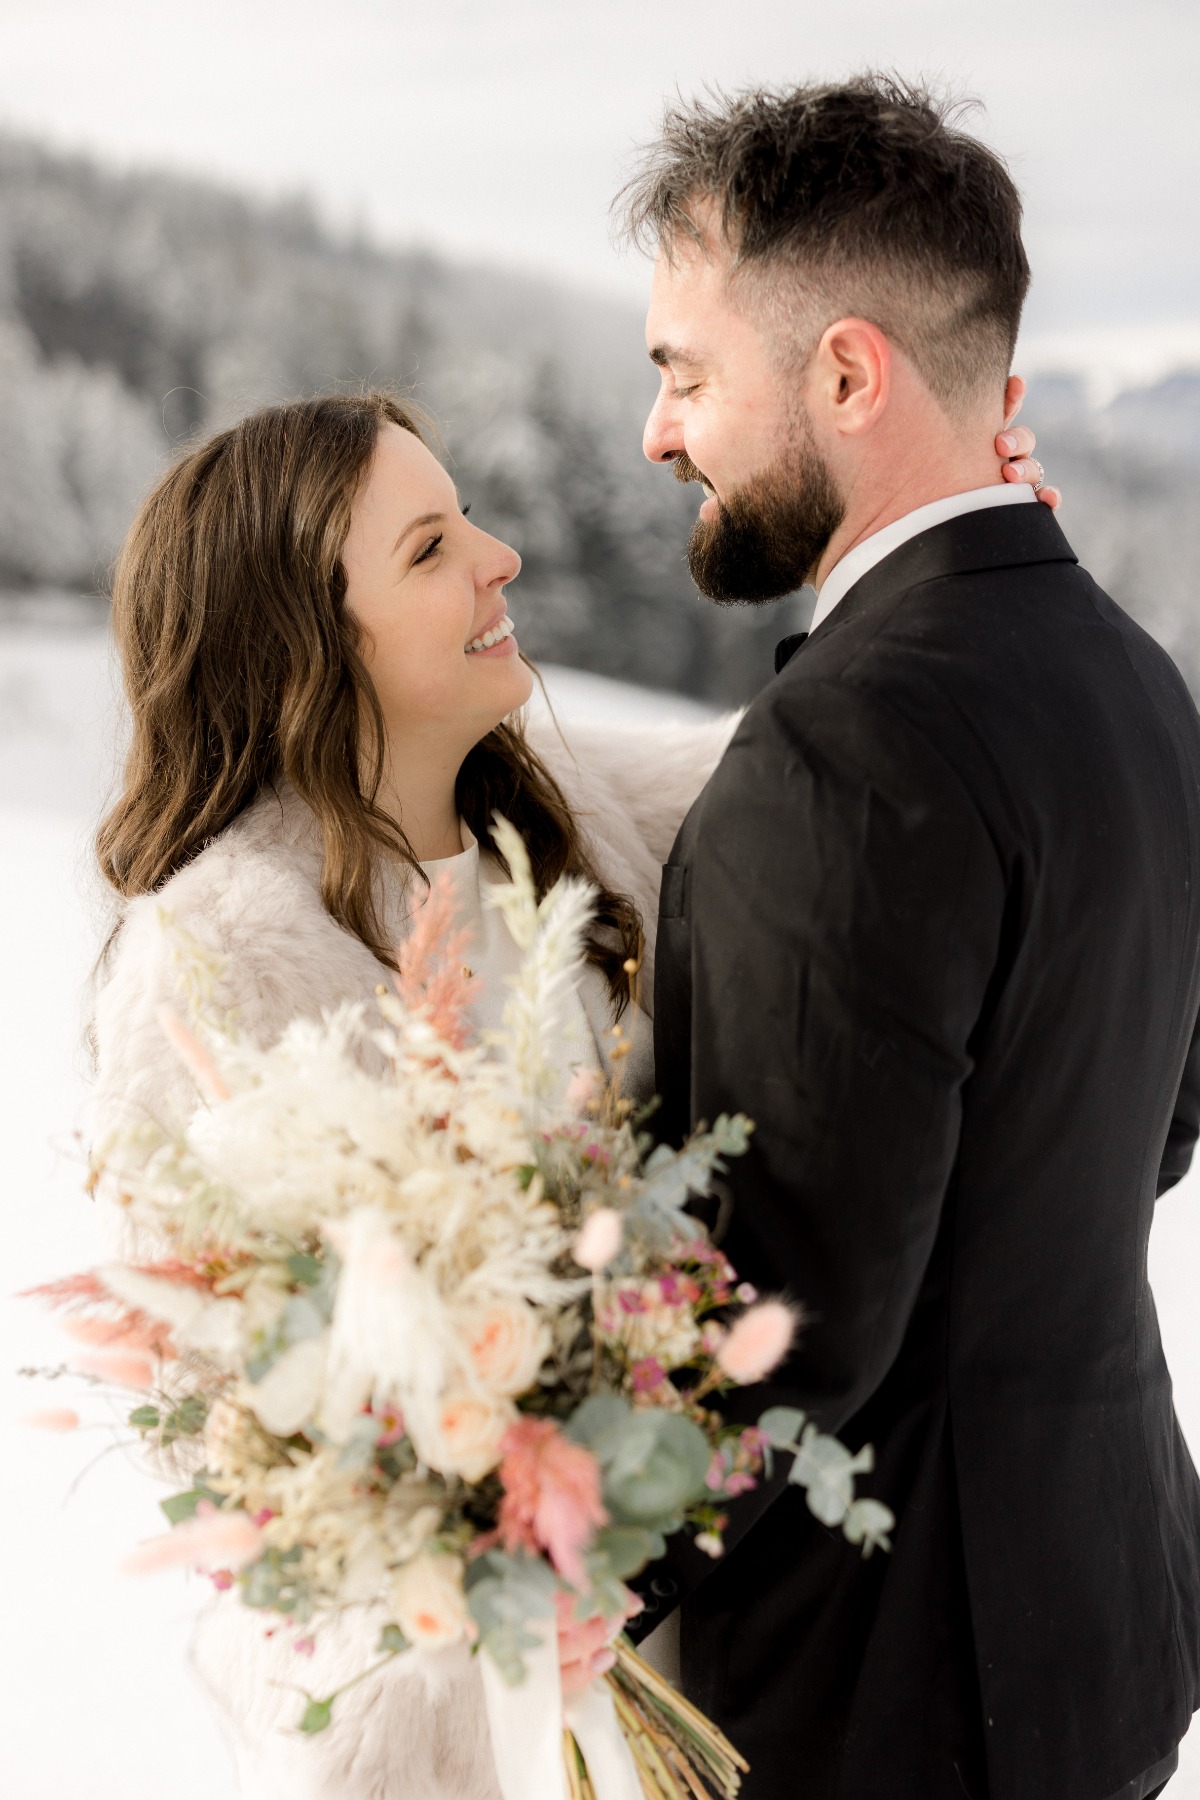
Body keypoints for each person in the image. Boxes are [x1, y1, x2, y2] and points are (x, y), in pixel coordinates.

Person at [89, 382, 1049, 1794]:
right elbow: (234, 1452)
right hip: (440, 1722)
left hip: (691, 1653)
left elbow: (827, 764)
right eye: (428, 547)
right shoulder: (214, 964)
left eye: (466, 515)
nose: (501, 554)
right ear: (300, 639)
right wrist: (477, 1638)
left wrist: (959, 565)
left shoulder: (570, 812)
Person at [624, 77, 1200, 1800]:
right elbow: (1157, 1111)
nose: (661, 433)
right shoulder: (1134, 679)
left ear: (851, 375)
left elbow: (786, 1314)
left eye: (685, 372)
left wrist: (519, 1564)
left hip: (880, 1693)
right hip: (1102, 1620)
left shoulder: (850, 741)